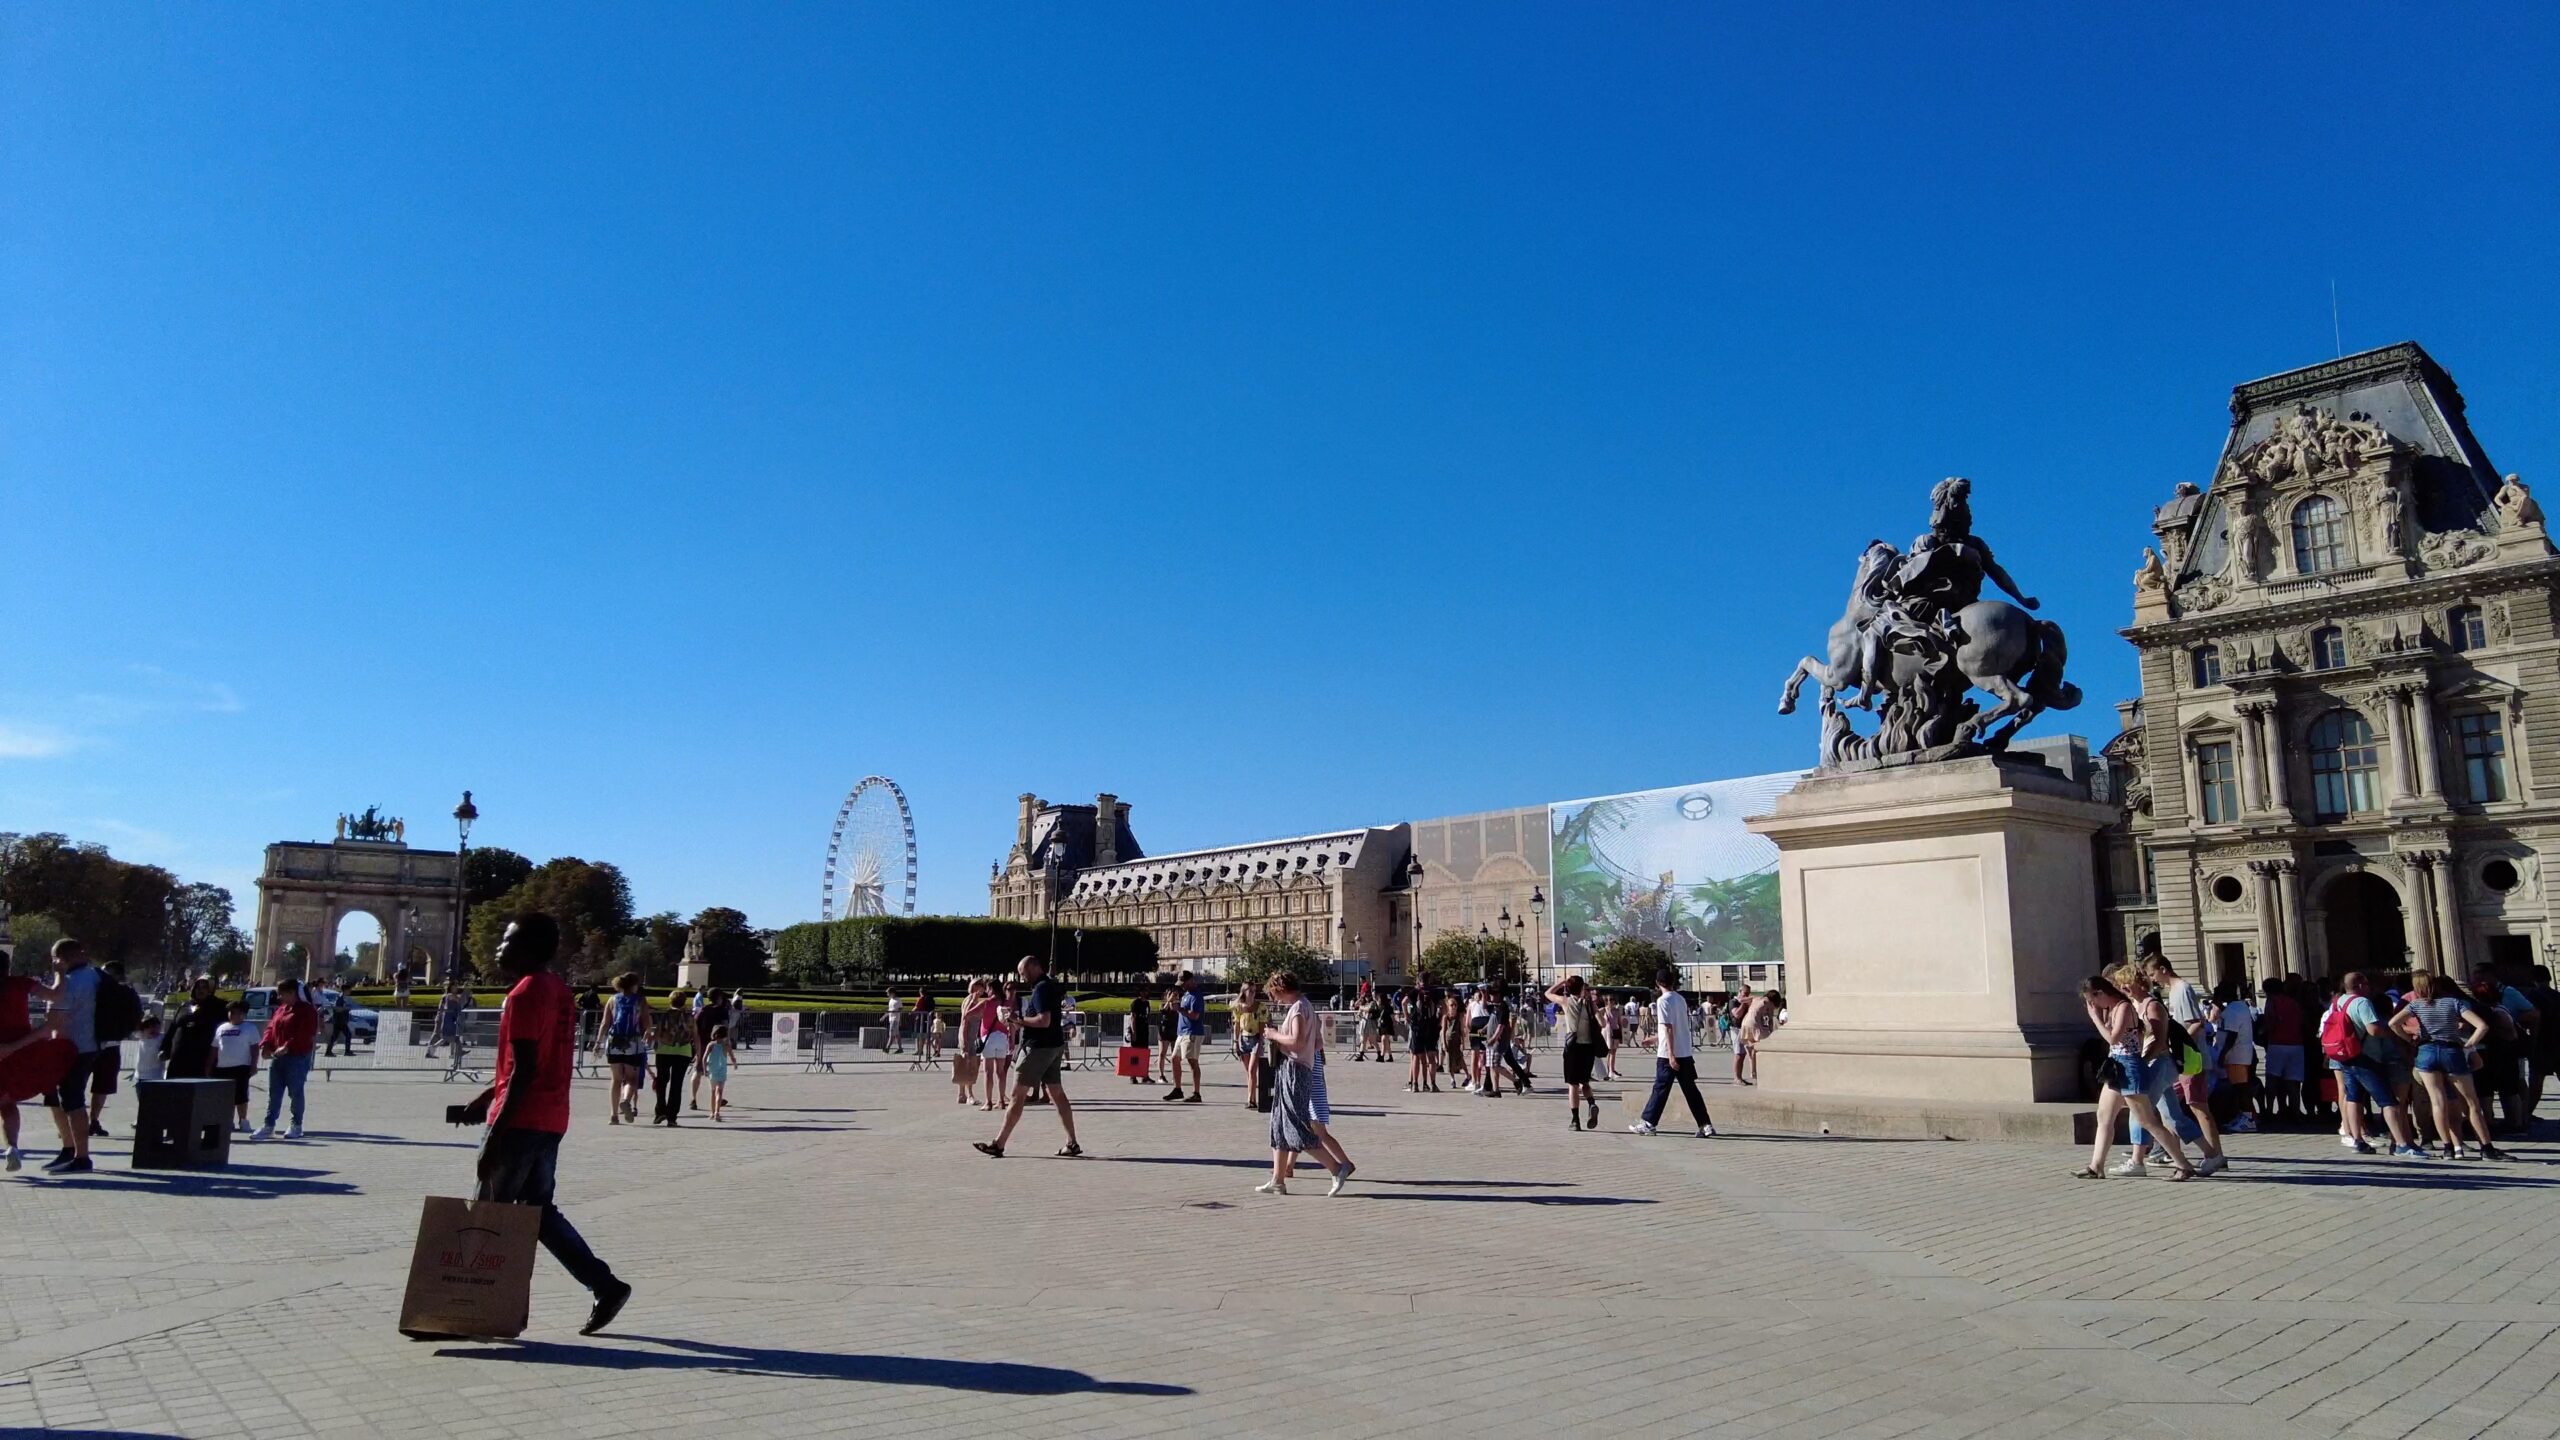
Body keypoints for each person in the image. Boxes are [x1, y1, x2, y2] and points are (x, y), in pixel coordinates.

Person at [452, 914, 632, 1337]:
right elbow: (533, 1063)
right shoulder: (558, 990)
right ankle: (604, 1285)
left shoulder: (525, 993)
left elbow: (526, 1068)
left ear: (530, 949)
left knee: (487, 1214)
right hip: (550, 1117)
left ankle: (473, 1307)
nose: (499, 946)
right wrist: (483, 1099)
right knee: (536, 1214)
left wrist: (495, 1130)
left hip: (520, 1122)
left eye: (507, 939)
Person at [2071, 972, 2197, 1180]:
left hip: (2129, 1067)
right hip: (2116, 1067)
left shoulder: (2124, 1007)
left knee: (2147, 1120)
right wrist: (2101, 1015)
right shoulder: (2112, 1008)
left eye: (2092, 1000)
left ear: (2101, 993)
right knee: (2104, 1116)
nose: (2092, 1006)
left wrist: (2095, 1019)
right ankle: (2096, 1166)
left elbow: (2112, 1038)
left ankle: (2183, 1164)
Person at [2389, 973, 2509, 1161]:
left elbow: (2393, 1023)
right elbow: (2482, 1026)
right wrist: (2469, 1044)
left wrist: (2410, 1039)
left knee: (2438, 1102)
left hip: (2426, 1051)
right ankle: (2486, 1147)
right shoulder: (2453, 1002)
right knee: (2470, 1103)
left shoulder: (2415, 1005)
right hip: (2451, 1051)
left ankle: (2448, 1148)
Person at [974, 956, 1080, 1159]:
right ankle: (1072, 1142)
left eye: (1023, 972)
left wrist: (1016, 1019)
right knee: (1057, 1093)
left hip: (1038, 1048)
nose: (1022, 977)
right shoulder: (1049, 986)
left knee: (1017, 1095)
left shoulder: (1041, 988)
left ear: (1034, 966)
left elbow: (1044, 1020)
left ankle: (999, 1143)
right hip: (1054, 1045)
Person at [1257, 971, 1352, 1196]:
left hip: (1295, 1070)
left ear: (1281, 988)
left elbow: (1297, 1042)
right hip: (1297, 1068)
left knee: (1296, 1127)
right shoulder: (1307, 1007)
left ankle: (1337, 1168)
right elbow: (1317, 1043)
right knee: (1279, 1125)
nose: (1275, 1000)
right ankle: (1277, 1179)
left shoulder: (1298, 1008)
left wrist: (1274, 1035)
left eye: (1274, 994)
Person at [2143, 957, 2230, 1169]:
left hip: (2189, 1059)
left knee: (2197, 1105)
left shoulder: (2182, 989)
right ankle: (2168, 1150)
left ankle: (2215, 1155)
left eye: (2153, 974)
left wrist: (2177, 1047)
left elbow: (2195, 1024)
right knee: (2171, 1107)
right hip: (2182, 1059)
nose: (2153, 980)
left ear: (2163, 969)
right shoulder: (2174, 990)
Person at [2324, 971, 2420, 1157]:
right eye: (2367, 983)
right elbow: (2373, 1030)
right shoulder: (2362, 1002)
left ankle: (2357, 1140)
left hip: (2345, 1055)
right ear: (2360, 985)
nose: (2370, 988)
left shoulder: (2339, 1001)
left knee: (2353, 1097)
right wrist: (2393, 1031)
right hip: (2365, 1056)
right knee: (2388, 1101)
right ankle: (2401, 1144)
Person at [0, 965, 77, 1172]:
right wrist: (60, 971)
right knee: (7, 1104)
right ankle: (12, 1147)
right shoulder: (20, 984)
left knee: (4, 1104)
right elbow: (56, 994)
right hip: (20, 1050)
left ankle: (11, 1148)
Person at [1628, 969, 1714, 1139]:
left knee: (1660, 1088)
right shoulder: (1680, 999)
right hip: (1684, 1051)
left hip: (1668, 1054)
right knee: (1691, 1091)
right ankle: (1705, 1124)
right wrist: (1654, 1039)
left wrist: (1671, 1055)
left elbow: (1668, 1027)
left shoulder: (1662, 1001)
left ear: (1657, 983)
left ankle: (1648, 1122)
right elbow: (1676, 1026)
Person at [2467, 970, 2536, 1134]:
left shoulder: (2498, 1011)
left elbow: (2511, 1034)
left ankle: (2516, 1123)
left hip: (2504, 1054)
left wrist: (2494, 1033)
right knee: (2503, 1088)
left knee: (2508, 1089)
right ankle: (2511, 1122)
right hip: (2502, 1054)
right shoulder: (2496, 1009)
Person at [252, 977, 319, 1141]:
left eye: (281, 994)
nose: (279, 997)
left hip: (297, 1057)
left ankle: (296, 1124)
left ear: (292, 992)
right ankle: (269, 1125)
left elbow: (305, 1032)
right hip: (277, 1057)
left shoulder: (307, 1010)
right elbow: (270, 1027)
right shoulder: (281, 1009)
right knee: (274, 1093)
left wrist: (288, 1046)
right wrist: (266, 1044)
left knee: (295, 1092)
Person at [1549, 975, 1603, 1131]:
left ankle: (1575, 1120)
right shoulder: (1589, 1004)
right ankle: (1592, 1103)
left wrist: (1561, 982)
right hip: (1588, 1048)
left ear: (1569, 988)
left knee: (1573, 1084)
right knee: (1585, 1082)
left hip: (1573, 1048)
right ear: (1582, 989)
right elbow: (1603, 1023)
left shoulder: (1566, 1001)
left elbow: (1548, 993)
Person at [2210, 979, 2258, 1133]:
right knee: (2241, 1087)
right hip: (2242, 1053)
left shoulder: (2232, 1011)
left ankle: (2248, 1118)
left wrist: (2223, 1054)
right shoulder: (2240, 1007)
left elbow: (2231, 1034)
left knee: (2240, 1088)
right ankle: (2245, 1116)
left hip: (2236, 1054)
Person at [2259, 976, 2306, 1125]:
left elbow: (2270, 1021)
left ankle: (2270, 1109)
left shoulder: (2272, 1001)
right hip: (2296, 1045)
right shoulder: (2294, 1002)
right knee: (2293, 1082)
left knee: (2272, 1080)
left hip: (2277, 1044)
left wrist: (2262, 1032)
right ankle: (2296, 1111)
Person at [603, 972, 649, 1125]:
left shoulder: (612, 999)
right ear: (634, 985)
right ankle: (626, 1101)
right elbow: (646, 1023)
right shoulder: (640, 1000)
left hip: (614, 1041)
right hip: (633, 1042)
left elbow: (605, 1023)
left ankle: (613, 1115)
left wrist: (597, 1043)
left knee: (615, 1079)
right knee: (631, 1079)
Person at [162, 977, 226, 1080]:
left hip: (203, 1058)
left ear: (210, 989)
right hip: (180, 1058)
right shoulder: (184, 1006)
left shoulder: (219, 1007)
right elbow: (172, 1029)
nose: (200, 990)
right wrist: (165, 1048)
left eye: (204, 987)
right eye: (197, 987)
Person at [211, 1000, 258, 1133]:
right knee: (226, 1097)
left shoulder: (249, 1028)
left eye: (235, 1012)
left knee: (241, 1096)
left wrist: (253, 1065)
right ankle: (228, 1120)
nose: (231, 1015)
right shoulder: (222, 1028)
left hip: (241, 1067)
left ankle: (243, 1120)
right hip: (222, 1067)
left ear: (242, 1014)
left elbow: (254, 1048)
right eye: (230, 1012)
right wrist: (210, 1065)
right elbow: (214, 1048)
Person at [1164, 972, 1207, 1103]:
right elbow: (1182, 1010)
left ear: (1191, 980)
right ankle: (1177, 1089)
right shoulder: (1186, 994)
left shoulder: (1196, 995)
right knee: (1174, 1058)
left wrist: (1180, 1010)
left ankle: (1196, 1092)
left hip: (1192, 1032)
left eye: (1184, 983)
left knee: (1192, 1061)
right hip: (1182, 1032)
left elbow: (1195, 1015)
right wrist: (1175, 1006)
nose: (1182, 986)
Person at [651, 996, 694, 1126]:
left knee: (661, 1082)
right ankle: (672, 1117)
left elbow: (657, 1034)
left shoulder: (665, 1016)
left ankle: (660, 1111)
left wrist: (652, 1040)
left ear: (670, 1001)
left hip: (664, 1051)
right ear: (684, 1002)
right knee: (677, 1085)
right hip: (683, 1052)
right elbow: (695, 1035)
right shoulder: (689, 1017)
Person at [955, 978, 993, 1106]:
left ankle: (961, 1094)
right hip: (967, 1037)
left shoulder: (970, 999)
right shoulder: (971, 999)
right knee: (970, 1065)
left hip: (967, 1036)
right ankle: (969, 1095)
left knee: (964, 1064)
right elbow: (965, 1021)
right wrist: (965, 1042)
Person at [1233, 980, 1269, 1108]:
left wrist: (1260, 1042)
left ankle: (1251, 1099)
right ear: (1244, 992)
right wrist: (1235, 1042)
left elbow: (1262, 1026)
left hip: (1256, 1039)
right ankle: (1251, 1096)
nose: (1253, 993)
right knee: (1248, 1072)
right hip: (1243, 1039)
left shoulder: (1260, 1007)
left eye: (1254, 991)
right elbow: (1236, 1025)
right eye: (1250, 991)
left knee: (1252, 1069)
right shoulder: (1238, 1007)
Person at [981, 984, 1017, 1112]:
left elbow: (970, 1014)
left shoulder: (986, 1003)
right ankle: (1001, 1100)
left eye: (987, 988)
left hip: (988, 1037)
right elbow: (1012, 1023)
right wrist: (1012, 1039)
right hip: (1002, 1038)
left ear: (991, 989)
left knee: (988, 1072)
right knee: (1000, 1072)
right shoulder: (1006, 1002)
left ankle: (988, 1102)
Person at [690, 990, 724, 1111]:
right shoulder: (721, 1011)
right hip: (716, 1045)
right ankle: (717, 1094)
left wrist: (696, 1045)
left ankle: (693, 1098)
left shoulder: (701, 1011)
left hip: (702, 1044)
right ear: (718, 998)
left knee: (698, 1070)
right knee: (717, 1071)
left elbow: (695, 1028)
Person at [1403, 982, 1440, 1094]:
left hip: (1418, 1028)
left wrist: (1407, 1017)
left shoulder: (1415, 992)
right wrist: (1439, 1022)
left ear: (1419, 981)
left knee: (1416, 1057)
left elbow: (1403, 1002)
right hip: (1431, 1028)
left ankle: (1415, 1084)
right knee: (1431, 1058)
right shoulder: (1434, 991)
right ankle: (1432, 1084)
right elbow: (1443, 1005)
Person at [425, 981, 468, 1062]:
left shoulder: (453, 996)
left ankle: (453, 1052)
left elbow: (462, 1002)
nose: (456, 988)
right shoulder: (448, 996)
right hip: (442, 1018)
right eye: (454, 986)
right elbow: (458, 1001)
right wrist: (463, 990)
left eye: (456, 986)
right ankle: (430, 1051)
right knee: (437, 1035)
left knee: (449, 1036)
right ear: (450, 988)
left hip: (449, 1019)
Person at [701, 1024, 735, 1122]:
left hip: (712, 1070)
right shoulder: (726, 1045)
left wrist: (704, 1069)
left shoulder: (711, 1045)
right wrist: (734, 1063)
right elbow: (732, 1055)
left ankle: (712, 1113)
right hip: (722, 1071)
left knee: (712, 1092)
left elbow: (704, 1058)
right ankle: (717, 1112)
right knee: (719, 1091)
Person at [1438, 989, 1466, 1088]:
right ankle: (1452, 1079)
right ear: (1448, 1006)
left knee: (1460, 1058)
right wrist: (1444, 1043)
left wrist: (1463, 1042)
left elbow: (1462, 1030)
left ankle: (1468, 1075)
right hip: (1448, 1040)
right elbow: (1444, 1031)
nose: (1453, 1007)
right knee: (1449, 1061)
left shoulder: (1458, 1016)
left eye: (1455, 1005)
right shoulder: (1446, 1017)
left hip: (1457, 1040)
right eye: (1451, 1005)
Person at [1125, 992, 1155, 1085]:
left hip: (1144, 1031)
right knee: (1135, 1055)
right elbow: (1133, 1018)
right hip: (1137, 1032)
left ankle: (1144, 1075)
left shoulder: (1147, 1003)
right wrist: (1133, 1032)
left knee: (1144, 1054)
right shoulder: (1135, 1003)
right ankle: (1133, 1076)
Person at [1154, 984, 1179, 1085]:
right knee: (1162, 1053)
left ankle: (1175, 1075)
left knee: (1175, 1055)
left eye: (1175, 994)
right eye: (1170, 994)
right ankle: (1161, 1075)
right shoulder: (1163, 1004)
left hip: (1175, 1031)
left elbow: (1177, 1011)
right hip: (1164, 1031)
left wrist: (1175, 1001)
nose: (1173, 996)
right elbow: (1163, 1011)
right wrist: (1169, 1001)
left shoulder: (1178, 1004)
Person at [324, 987, 355, 1057]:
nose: (350, 991)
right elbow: (336, 1008)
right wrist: (345, 1008)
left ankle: (329, 1051)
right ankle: (346, 1051)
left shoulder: (344, 998)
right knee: (346, 1035)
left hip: (341, 1020)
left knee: (335, 1036)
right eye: (349, 990)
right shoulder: (340, 998)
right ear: (345, 990)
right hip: (339, 1021)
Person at [883, 989, 904, 1054]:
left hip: (895, 1019)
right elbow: (889, 1010)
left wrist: (898, 1017)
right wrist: (884, 1017)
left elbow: (901, 1009)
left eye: (888, 993)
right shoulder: (891, 1000)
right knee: (896, 1034)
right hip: (891, 1019)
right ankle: (900, 1048)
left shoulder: (898, 1000)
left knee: (891, 1034)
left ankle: (887, 1048)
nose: (887, 995)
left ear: (892, 993)